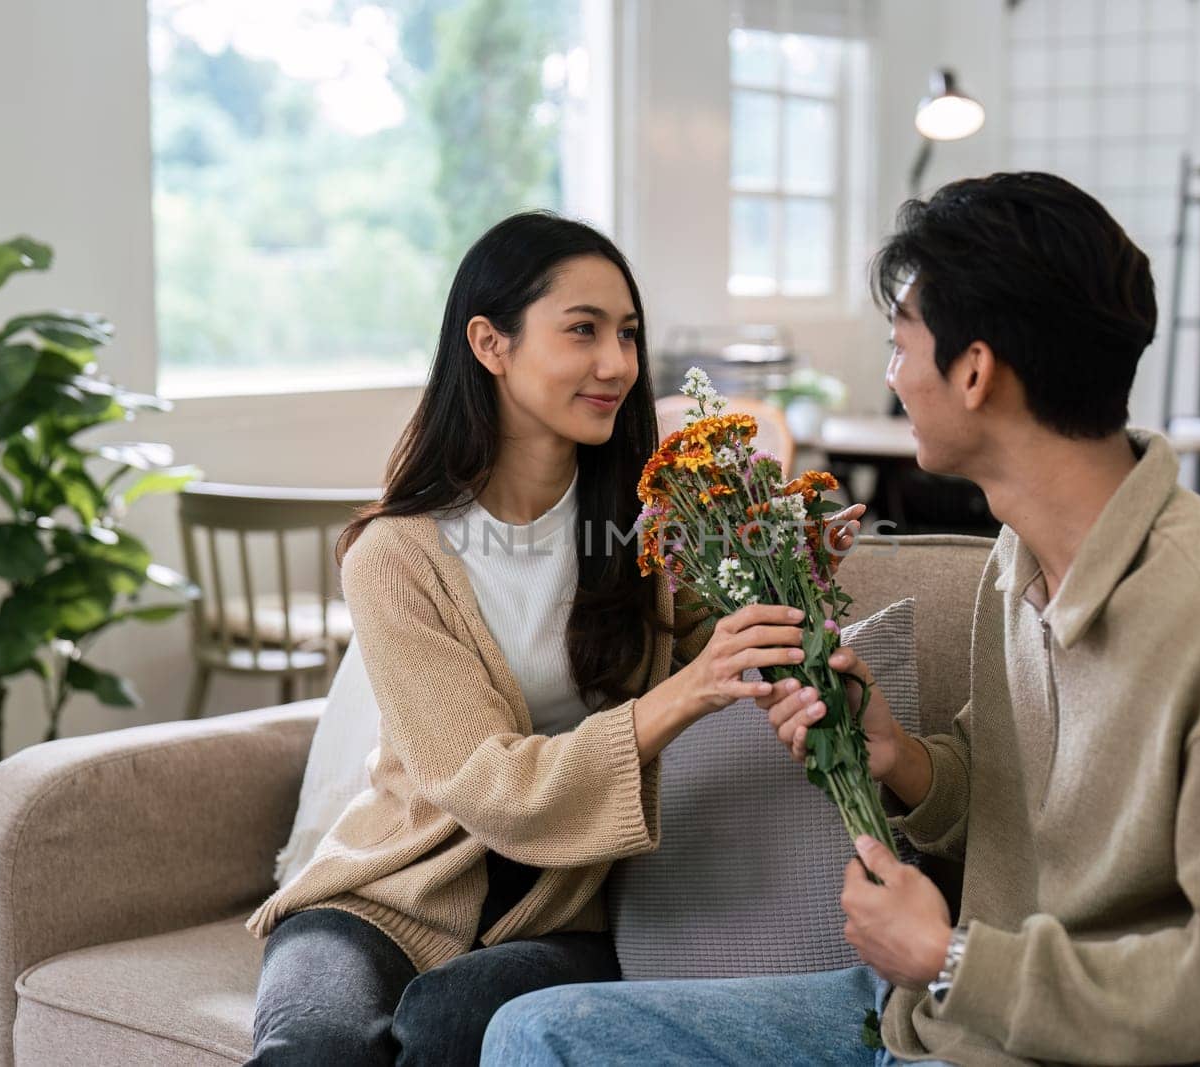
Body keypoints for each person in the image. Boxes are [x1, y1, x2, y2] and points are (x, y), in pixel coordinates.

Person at [482, 173, 1200, 1066]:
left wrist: (951, 958)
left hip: (1021, 1033)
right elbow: (1006, 797)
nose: (892, 377)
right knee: (537, 1033)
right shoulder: (1019, 559)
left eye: (900, 345)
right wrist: (900, 755)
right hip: (932, 1016)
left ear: (975, 371)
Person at [242, 211, 856, 1065]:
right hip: (386, 894)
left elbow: (734, 651)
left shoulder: (651, 535)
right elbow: (483, 782)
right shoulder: (396, 556)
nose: (618, 363)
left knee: (454, 1022)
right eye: (583, 330)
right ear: (490, 343)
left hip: (566, 908)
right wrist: (683, 693)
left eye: (628, 334)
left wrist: (794, 571)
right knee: (315, 1046)